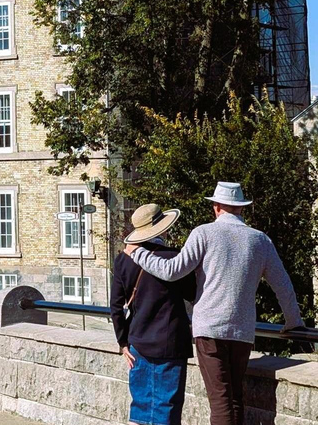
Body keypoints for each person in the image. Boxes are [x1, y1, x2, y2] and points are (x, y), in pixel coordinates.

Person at [124, 182, 304, 425]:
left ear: (217, 207)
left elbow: (171, 271)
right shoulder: (260, 240)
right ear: (241, 208)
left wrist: (138, 253)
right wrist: (294, 322)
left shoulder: (204, 233)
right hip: (242, 331)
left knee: (220, 400)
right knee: (235, 398)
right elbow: (283, 285)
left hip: (210, 329)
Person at [111, 204, 196, 425]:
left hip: (138, 340)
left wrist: (123, 342)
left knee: (140, 406)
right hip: (171, 342)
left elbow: (117, 306)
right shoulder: (174, 258)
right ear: (163, 228)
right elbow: (192, 293)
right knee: (167, 406)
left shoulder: (123, 260)